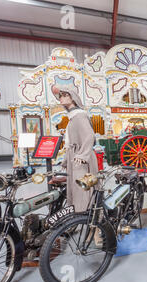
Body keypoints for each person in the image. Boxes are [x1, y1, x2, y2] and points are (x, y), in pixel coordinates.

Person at [51, 85, 98, 213]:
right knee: (74, 189)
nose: (61, 98)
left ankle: (85, 218)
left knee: (82, 189)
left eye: (64, 95)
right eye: (60, 96)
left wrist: (82, 156)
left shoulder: (79, 115)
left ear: (72, 97)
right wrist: (66, 161)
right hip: (75, 157)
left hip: (80, 158)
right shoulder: (73, 116)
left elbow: (89, 136)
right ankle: (77, 217)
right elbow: (70, 143)